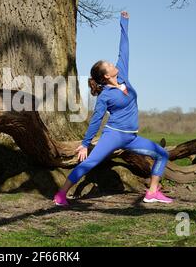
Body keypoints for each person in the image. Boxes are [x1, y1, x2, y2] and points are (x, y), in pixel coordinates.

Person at [53, 11, 174, 206]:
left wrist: (124, 23)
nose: (112, 64)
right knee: (89, 163)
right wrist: (85, 143)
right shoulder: (105, 96)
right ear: (106, 76)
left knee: (162, 153)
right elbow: (96, 119)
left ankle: (152, 192)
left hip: (131, 137)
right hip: (113, 135)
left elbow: (124, 50)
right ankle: (61, 195)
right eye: (108, 65)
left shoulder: (123, 75)